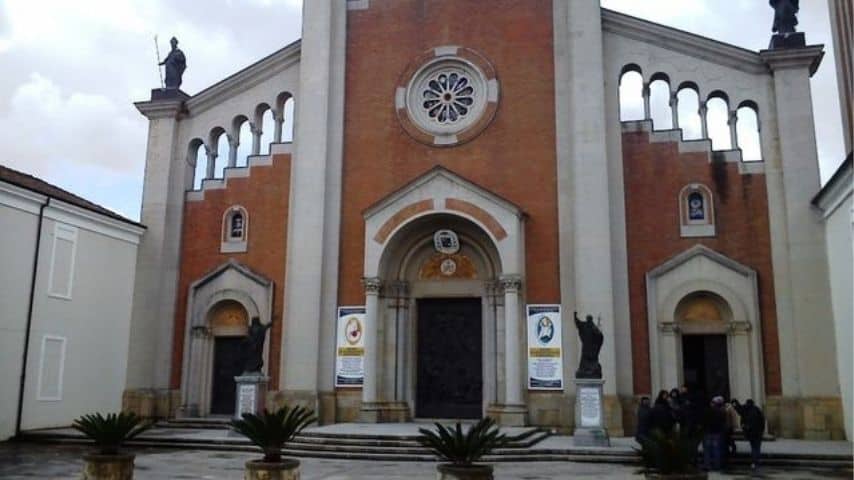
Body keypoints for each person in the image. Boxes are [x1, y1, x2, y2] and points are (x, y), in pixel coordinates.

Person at [734, 399, 766, 471]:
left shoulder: (746, 410)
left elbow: (739, 409)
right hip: (758, 433)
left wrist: (735, 402)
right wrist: (762, 430)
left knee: (754, 448)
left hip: (751, 433)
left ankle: (754, 462)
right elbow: (762, 421)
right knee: (757, 448)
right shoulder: (757, 410)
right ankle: (756, 461)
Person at [702, 396, 727, 471]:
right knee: (717, 450)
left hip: (708, 432)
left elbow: (704, 421)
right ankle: (717, 465)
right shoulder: (721, 412)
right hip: (717, 432)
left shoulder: (707, 411)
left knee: (707, 450)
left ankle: (707, 465)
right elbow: (723, 422)